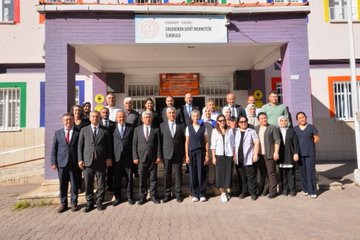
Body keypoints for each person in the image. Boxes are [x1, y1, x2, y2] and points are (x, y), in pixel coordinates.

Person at [78, 111, 113, 212]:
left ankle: (99, 202)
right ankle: (89, 203)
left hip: (101, 161)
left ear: (100, 118)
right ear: (89, 118)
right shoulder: (84, 130)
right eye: (93, 116)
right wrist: (80, 159)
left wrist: (109, 158)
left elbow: (109, 146)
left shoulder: (105, 130)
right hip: (88, 161)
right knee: (88, 183)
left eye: (97, 117)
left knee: (101, 183)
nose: (95, 118)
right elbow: (80, 146)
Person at [51, 113, 80, 213]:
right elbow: (54, 149)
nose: (68, 121)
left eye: (70, 120)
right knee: (62, 184)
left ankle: (74, 203)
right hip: (61, 163)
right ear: (63, 121)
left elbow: (80, 148)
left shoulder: (78, 132)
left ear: (73, 120)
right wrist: (53, 162)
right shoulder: (57, 133)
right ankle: (63, 204)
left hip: (73, 163)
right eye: (66, 120)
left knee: (74, 184)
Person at [133, 111, 162, 205]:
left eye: (149, 117)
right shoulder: (137, 130)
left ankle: (153, 196)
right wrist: (135, 157)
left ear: (152, 119)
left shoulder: (156, 129)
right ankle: (143, 197)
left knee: (153, 179)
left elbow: (158, 144)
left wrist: (158, 156)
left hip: (153, 158)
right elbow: (134, 145)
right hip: (141, 158)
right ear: (142, 119)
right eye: (145, 117)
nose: (147, 119)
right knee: (142, 178)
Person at [160, 107, 186, 203]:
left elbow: (184, 141)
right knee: (167, 175)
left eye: (173, 113)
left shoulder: (181, 125)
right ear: (167, 115)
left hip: (178, 154)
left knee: (178, 174)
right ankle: (167, 194)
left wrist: (184, 155)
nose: (172, 114)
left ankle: (178, 194)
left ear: (176, 114)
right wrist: (160, 155)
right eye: (170, 113)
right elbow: (160, 141)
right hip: (166, 154)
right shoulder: (162, 126)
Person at [294, 112, 320, 199]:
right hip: (300, 154)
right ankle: (305, 189)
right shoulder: (295, 129)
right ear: (297, 120)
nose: (302, 119)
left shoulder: (311, 127)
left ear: (306, 117)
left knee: (311, 172)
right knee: (302, 172)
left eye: (303, 117)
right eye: (299, 118)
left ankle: (312, 190)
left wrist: (310, 144)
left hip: (310, 153)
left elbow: (316, 138)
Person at [254, 112, 281, 199]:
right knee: (263, 173)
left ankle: (273, 192)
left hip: (269, 154)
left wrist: (276, 152)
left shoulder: (272, 127)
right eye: (262, 118)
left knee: (271, 173)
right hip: (259, 155)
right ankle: (265, 190)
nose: (264, 119)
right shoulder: (256, 128)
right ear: (258, 120)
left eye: (265, 118)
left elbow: (277, 140)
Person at [185, 110, 209, 202]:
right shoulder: (188, 128)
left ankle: (202, 193)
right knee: (193, 173)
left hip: (201, 152)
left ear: (200, 117)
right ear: (191, 117)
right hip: (191, 153)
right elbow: (186, 143)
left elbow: (206, 142)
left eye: (197, 116)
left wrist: (207, 154)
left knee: (201, 172)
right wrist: (187, 156)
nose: (196, 117)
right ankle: (194, 193)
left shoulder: (203, 127)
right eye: (194, 116)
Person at [112, 110, 135, 206]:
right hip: (116, 157)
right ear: (116, 118)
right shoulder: (112, 128)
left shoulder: (131, 127)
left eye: (123, 117)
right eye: (119, 117)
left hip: (128, 157)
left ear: (125, 117)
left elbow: (134, 143)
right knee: (117, 178)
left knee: (129, 178)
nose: (121, 118)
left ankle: (130, 197)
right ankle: (118, 198)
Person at [234, 116, 260, 201]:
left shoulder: (251, 131)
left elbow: (256, 143)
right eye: (241, 122)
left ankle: (253, 192)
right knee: (242, 177)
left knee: (251, 177)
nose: (243, 123)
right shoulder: (235, 132)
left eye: (245, 121)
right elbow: (233, 145)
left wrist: (255, 154)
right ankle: (244, 192)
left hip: (249, 157)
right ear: (238, 123)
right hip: (239, 158)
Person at [210, 114, 235, 203]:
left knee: (228, 174)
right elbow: (213, 145)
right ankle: (223, 193)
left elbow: (233, 144)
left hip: (229, 155)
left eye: (223, 120)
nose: (222, 122)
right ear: (217, 122)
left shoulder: (230, 131)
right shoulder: (214, 131)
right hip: (219, 155)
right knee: (220, 174)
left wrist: (234, 155)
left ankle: (226, 191)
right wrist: (213, 157)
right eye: (220, 121)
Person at [277, 116, 300, 197]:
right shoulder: (277, 131)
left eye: (285, 121)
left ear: (287, 122)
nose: (283, 122)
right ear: (279, 122)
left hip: (290, 155)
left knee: (291, 173)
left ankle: (292, 190)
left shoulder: (291, 131)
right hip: (281, 156)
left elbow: (296, 143)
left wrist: (296, 153)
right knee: (283, 174)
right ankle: (285, 190)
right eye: (281, 121)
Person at [70, 104, 90, 191]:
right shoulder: (70, 121)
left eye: (79, 110)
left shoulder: (85, 121)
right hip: (73, 147)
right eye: (75, 110)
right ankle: (76, 186)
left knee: (82, 166)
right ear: (72, 111)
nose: (77, 112)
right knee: (74, 168)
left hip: (83, 146)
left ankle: (84, 185)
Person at [99, 107, 116, 191]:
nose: (105, 114)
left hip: (111, 149)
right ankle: (101, 186)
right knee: (100, 170)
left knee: (110, 169)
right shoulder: (97, 124)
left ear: (109, 113)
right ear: (101, 114)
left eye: (106, 112)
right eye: (103, 112)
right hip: (100, 150)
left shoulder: (114, 124)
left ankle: (110, 184)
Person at [199, 106, 216, 186]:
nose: (208, 113)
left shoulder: (214, 122)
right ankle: (202, 182)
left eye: (209, 111)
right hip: (202, 146)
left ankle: (211, 181)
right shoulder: (199, 122)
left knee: (211, 165)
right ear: (203, 112)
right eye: (206, 111)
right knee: (202, 164)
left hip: (212, 146)